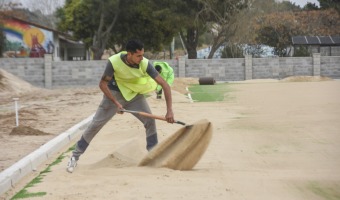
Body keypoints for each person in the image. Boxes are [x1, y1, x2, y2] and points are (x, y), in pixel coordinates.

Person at [67, 39, 175, 173]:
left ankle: (152, 155)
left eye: (142, 55)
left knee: (150, 121)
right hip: (114, 93)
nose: (142, 58)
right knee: (96, 124)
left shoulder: (145, 64)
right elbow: (102, 84)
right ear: (129, 54)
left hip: (133, 94)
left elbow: (164, 84)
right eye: (138, 55)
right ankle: (74, 156)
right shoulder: (114, 61)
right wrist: (116, 103)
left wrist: (169, 111)